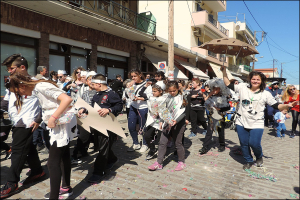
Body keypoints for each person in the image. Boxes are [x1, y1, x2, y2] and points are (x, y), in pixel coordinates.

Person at [8, 73, 77, 199]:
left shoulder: (41, 86)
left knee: (52, 162)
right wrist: (40, 120)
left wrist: (53, 118)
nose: (22, 96)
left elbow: (67, 99)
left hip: (59, 124)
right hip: (59, 123)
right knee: (64, 155)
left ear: (22, 86)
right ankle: (66, 187)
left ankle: (54, 196)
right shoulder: (37, 88)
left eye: (18, 92)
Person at [221, 66, 297, 170]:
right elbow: (227, 84)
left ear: (261, 81)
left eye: (258, 79)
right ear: (250, 79)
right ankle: (248, 160)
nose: (255, 81)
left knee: (254, 143)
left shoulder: (266, 94)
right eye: (253, 79)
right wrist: (224, 71)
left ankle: (259, 156)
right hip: (241, 121)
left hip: (257, 122)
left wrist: (287, 106)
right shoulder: (242, 87)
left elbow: (276, 105)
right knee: (244, 143)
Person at [0, 54, 45, 199]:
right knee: (28, 147)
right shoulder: (12, 83)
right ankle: (38, 171)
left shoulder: (37, 83)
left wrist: (39, 118)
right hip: (16, 121)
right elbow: (5, 103)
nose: (9, 72)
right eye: (8, 69)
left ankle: (12, 182)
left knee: (17, 151)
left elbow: (47, 104)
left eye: (11, 68)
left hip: (27, 122)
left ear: (22, 67)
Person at [88, 74, 123, 183]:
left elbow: (120, 105)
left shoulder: (112, 94)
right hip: (98, 124)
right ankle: (112, 159)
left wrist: (109, 110)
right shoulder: (96, 95)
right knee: (100, 146)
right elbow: (93, 107)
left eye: (93, 84)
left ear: (99, 84)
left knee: (103, 149)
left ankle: (98, 172)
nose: (91, 86)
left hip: (109, 125)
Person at [148, 81, 187, 171]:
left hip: (179, 123)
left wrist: (176, 121)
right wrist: (161, 121)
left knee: (178, 143)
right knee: (162, 142)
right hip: (167, 122)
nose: (172, 93)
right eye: (170, 91)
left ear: (178, 89)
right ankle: (159, 163)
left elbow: (184, 113)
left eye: (174, 90)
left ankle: (181, 162)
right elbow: (163, 110)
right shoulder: (166, 97)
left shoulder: (182, 97)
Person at [199, 78, 231, 154]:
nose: (215, 90)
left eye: (217, 89)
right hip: (211, 117)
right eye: (214, 89)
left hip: (220, 117)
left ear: (220, 89)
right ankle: (205, 147)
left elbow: (228, 107)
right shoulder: (210, 96)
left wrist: (219, 109)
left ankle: (222, 145)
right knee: (209, 132)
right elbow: (204, 103)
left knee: (220, 131)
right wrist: (209, 95)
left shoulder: (224, 97)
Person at [71, 71, 97, 164]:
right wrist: (81, 108)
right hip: (84, 118)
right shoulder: (85, 92)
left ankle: (80, 153)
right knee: (83, 136)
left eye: (94, 80)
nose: (91, 82)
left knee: (88, 136)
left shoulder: (98, 92)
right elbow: (82, 103)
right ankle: (76, 154)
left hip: (95, 118)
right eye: (90, 79)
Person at [140, 81, 167, 160]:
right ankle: (152, 149)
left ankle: (162, 153)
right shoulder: (151, 97)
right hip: (152, 121)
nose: (153, 93)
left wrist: (160, 114)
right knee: (147, 136)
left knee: (160, 139)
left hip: (161, 121)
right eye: (152, 91)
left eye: (155, 91)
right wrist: (145, 86)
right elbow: (141, 93)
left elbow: (166, 111)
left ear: (161, 91)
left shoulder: (165, 98)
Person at [127, 69, 152, 152]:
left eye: (135, 76)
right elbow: (130, 96)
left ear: (140, 75)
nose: (133, 78)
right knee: (131, 126)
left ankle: (145, 144)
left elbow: (149, 96)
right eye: (132, 76)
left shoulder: (146, 84)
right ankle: (135, 143)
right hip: (133, 107)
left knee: (143, 127)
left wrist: (139, 98)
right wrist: (130, 87)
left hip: (143, 107)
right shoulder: (132, 84)